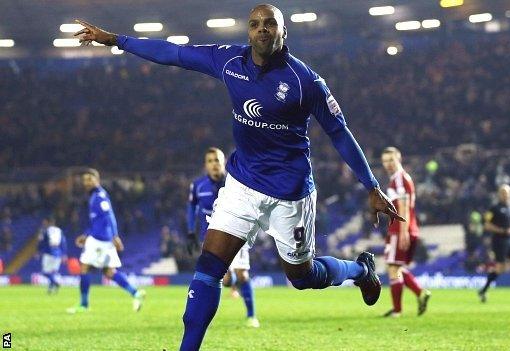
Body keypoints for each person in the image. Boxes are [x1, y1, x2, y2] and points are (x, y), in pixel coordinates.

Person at [74, 4, 402, 349]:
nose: (262, 29)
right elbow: (174, 53)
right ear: (248, 32)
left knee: (302, 277)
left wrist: (372, 186)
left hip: (289, 193)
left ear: (283, 32)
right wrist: (114, 40)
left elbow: (340, 133)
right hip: (242, 185)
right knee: (208, 267)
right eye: (255, 24)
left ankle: (360, 271)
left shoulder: (306, 82)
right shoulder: (230, 62)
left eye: (270, 24)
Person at [187, 147, 259, 328]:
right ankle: (231, 281)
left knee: (243, 274)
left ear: (224, 162)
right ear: (206, 165)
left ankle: (251, 316)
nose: (214, 164)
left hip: (237, 232)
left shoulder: (234, 182)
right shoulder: (197, 186)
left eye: (217, 160)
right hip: (211, 237)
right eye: (210, 161)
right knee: (225, 280)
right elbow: (191, 208)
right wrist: (190, 232)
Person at [67, 169, 146, 314]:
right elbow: (97, 221)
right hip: (99, 237)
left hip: (99, 239)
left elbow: (109, 216)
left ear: (97, 180)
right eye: (85, 180)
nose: (87, 182)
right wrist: (86, 235)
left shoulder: (99, 196)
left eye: (90, 179)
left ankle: (84, 305)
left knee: (84, 267)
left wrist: (115, 236)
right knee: (109, 272)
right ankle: (135, 293)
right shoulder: (93, 196)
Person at [381, 147, 430, 317]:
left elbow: (403, 207)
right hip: (401, 228)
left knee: (393, 268)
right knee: (396, 267)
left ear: (398, 159)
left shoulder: (400, 179)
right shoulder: (397, 179)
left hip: (400, 229)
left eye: (391, 160)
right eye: (385, 161)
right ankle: (420, 293)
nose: (388, 164)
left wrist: (403, 232)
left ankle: (397, 311)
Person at [36, 217, 67, 294]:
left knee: (45, 272)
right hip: (58, 253)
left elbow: (42, 242)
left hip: (48, 253)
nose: (43, 224)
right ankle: (51, 288)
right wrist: (64, 254)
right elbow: (63, 242)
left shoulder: (46, 231)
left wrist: (38, 251)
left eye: (44, 222)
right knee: (53, 272)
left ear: (48, 222)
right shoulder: (59, 231)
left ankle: (55, 283)